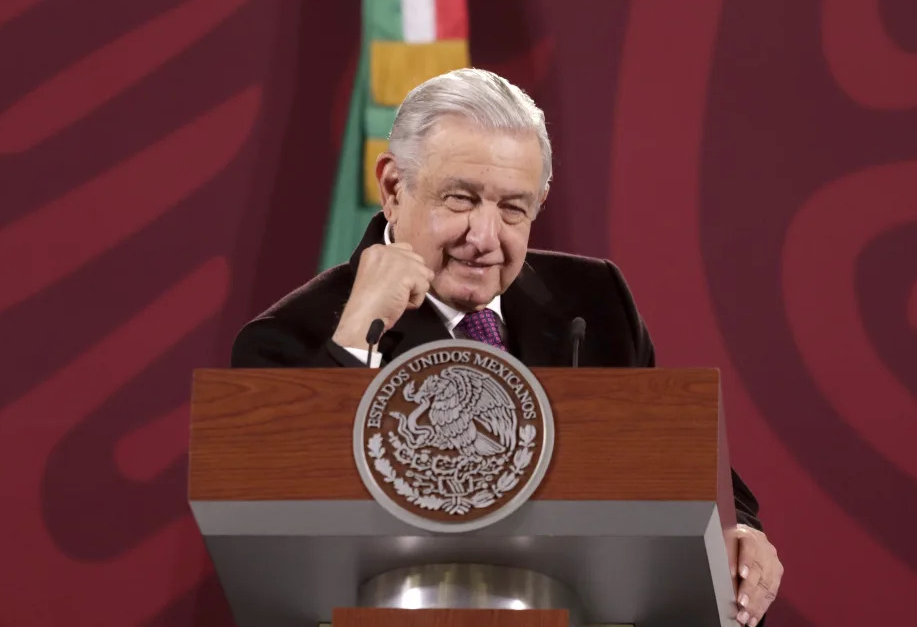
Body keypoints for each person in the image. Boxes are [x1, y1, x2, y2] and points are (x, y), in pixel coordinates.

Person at [231, 68, 782, 625]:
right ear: (395, 188)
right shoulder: (289, 339)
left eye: (513, 209)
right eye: (461, 199)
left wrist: (741, 531)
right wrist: (354, 342)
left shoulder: (594, 301)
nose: (486, 238)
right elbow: (276, 512)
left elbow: (673, 455)